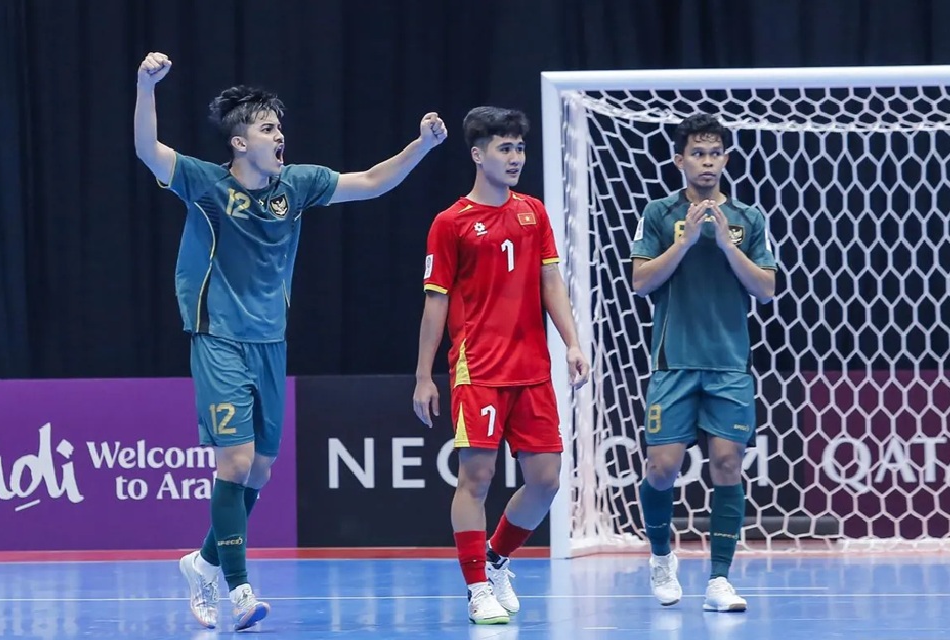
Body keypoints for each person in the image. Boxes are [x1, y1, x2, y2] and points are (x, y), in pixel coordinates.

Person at [133, 51, 447, 631]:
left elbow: (374, 182)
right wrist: (145, 86)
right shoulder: (204, 183)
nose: (281, 136)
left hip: (270, 341)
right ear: (239, 143)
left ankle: (201, 563)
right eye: (268, 128)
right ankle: (239, 589)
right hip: (218, 336)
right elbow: (148, 151)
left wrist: (422, 145)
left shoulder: (296, 186)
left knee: (260, 471)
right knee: (236, 459)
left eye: (280, 127)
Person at [412, 106, 589, 625]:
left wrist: (573, 343)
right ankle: (475, 588)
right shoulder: (450, 223)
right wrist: (424, 375)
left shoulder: (534, 212)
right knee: (478, 476)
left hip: (532, 367)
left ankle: (495, 559)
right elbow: (436, 302)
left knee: (547, 479)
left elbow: (551, 283)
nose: (515, 158)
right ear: (477, 154)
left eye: (520, 148)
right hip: (478, 369)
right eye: (504, 148)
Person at [630, 112, 777, 612]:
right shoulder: (657, 213)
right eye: (698, 152)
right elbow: (641, 281)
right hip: (673, 363)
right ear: (680, 160)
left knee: (728, 465)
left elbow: (766, 289)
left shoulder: (749, 218)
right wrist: (686, 240)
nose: (707, 161)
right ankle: (660, 556)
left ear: (726, 160)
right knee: (661, 467)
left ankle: (719, 580)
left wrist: (722, 241)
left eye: (715, 153)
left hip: (729, 366)